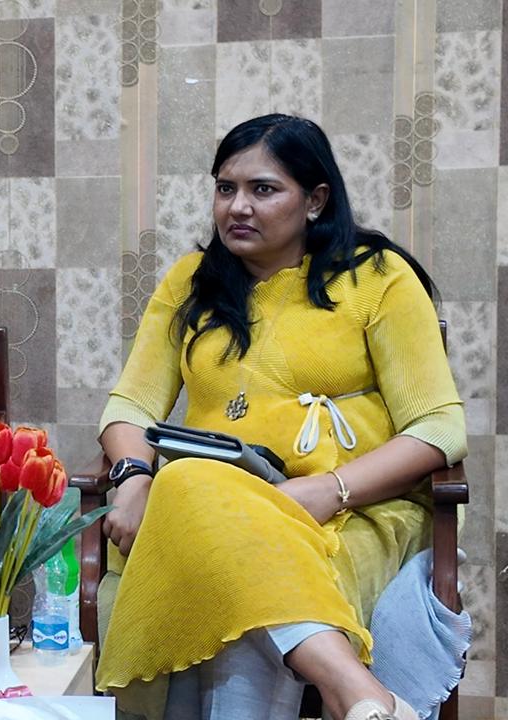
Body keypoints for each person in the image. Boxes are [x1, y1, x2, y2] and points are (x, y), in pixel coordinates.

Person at [94, 114, 465, 720]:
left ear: (315, 200)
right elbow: (130, 406)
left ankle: (352, 691)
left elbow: (438, 427)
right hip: (211, 500)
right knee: (193, 489)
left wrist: (327, 489)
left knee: (225, 563)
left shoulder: (377, 277)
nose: (237, 207)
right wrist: (133, 478)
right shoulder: (190, 283)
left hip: (352, 511)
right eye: (225, 188)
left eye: (262, 189)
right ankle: (357, 692)